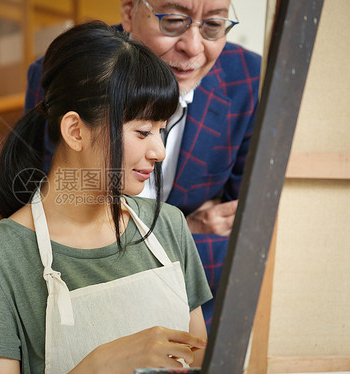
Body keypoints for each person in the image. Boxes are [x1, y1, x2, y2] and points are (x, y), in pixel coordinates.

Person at [0, 21, 212, 374]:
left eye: (162, 131)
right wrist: (102, 364)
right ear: (75, 130)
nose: (159, 152)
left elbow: (203, 360)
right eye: (143, 131)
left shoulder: (168, 225)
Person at [24, 0, 262, 328]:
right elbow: (60, 225)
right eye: (174, 21)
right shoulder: (73, 68)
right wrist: (182, 230)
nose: (194, 47)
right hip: (82, 314)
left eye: (213, 24)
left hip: (201, 313)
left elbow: (246, 245)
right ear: (129, 11)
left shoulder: (249, 79)